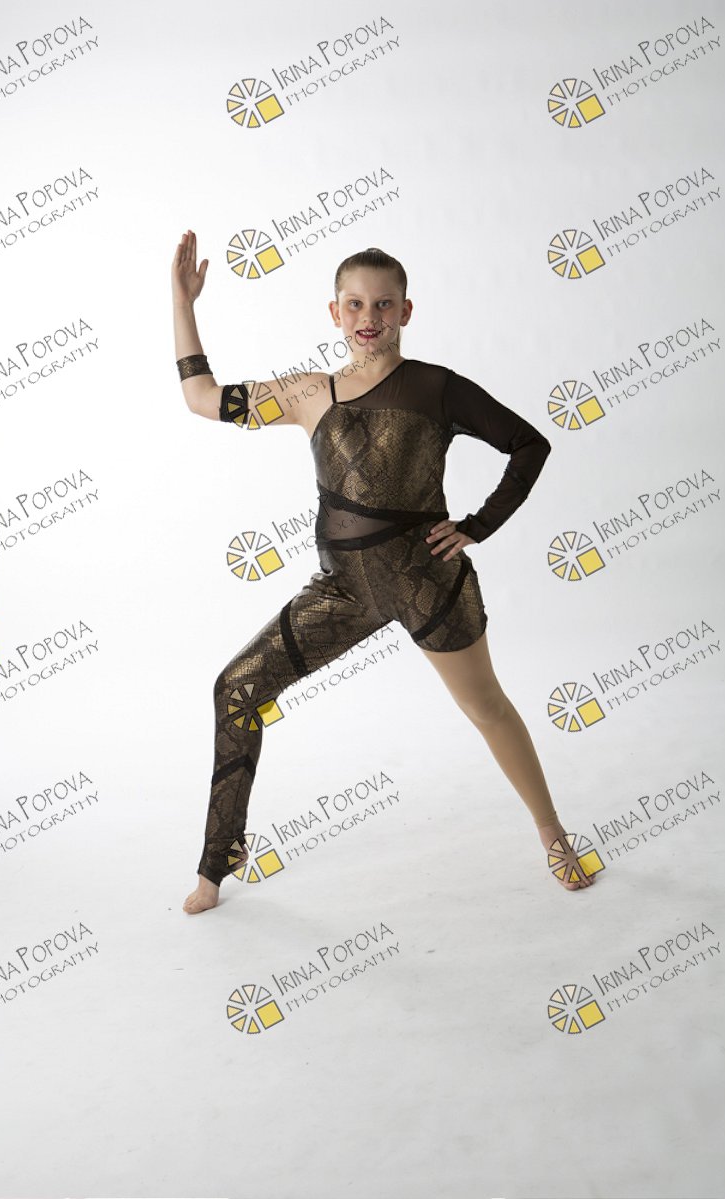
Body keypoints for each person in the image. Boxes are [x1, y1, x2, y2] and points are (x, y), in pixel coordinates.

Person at [171, 230, 597, 913]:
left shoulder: (437, 387)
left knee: (486, 707)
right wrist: (183, 301)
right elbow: (201, 397)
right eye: (355, 303)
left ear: (405, 310)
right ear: (334, 313)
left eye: (383, 303)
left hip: (428, 584)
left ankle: (553, 834)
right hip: (343, 591)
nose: (368, 316)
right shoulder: (308, 393)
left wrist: (478, 525)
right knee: (237, 687)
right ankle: (217, 862)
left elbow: (529, 444)